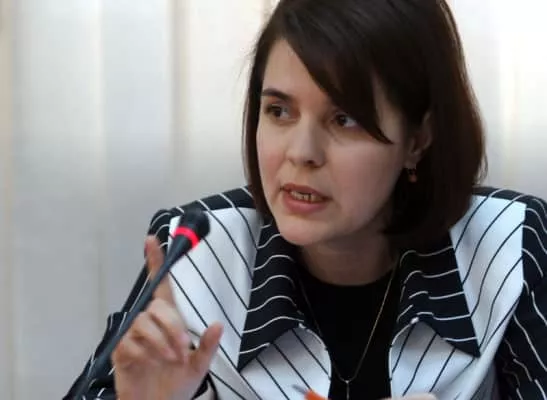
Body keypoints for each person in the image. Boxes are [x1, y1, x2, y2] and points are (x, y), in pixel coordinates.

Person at [65, 0, 547, 399]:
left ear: (418, 139)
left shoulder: (509, 246)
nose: (301, 153)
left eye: (344, 119)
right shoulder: (196, 253)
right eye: (279, 111)